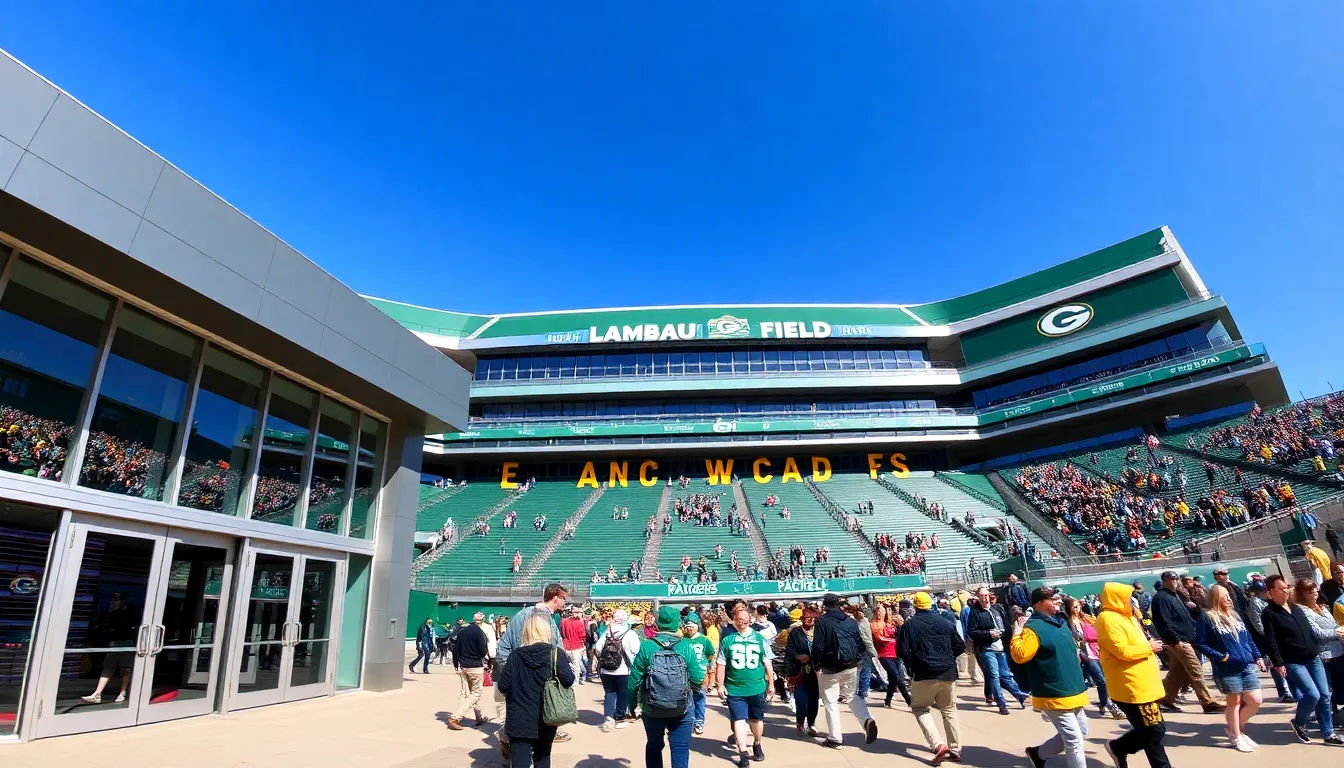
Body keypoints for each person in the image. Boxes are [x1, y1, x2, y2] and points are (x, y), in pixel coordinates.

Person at [1095, 582, 1172, 768]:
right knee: (1153, 730)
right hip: (1131, 686)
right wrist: (1149, 647)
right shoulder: (1107, 619)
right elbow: (1122, 651)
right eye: (1127, 597)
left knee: (1151, 730)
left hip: (1143, 683)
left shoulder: (1126, 617)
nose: (1132, 600)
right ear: (1117, 599)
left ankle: (1119, 748)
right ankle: (1118, 747)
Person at [1013, 588, 1090, 768]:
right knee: (1074, 741)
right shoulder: (1032, 629)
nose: (1057, 601)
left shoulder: (1060, 622)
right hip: (1054, 693)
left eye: (1057, 598)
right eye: (1052, 599)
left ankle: (1038, 754)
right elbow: (1020, 655)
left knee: (1082, 732)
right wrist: (1017, 634)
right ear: (1038, 604)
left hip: (1073, 689)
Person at [495, 584, 572, 760]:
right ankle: (507, 741)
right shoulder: (531, 617)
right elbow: (503, 650)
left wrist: (516, 674)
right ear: (555, 598)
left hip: (528, 698)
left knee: (531, 747)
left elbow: (503, 651)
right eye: (563, 598)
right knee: (539, 754)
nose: (565, 603)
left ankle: (509, 742)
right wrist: (519, 674)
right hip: (533, 697)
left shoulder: (538, 616)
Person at [1261, 574, 1340, 744]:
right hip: (1293, 660)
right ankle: (1299, 723)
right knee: (1312, 695)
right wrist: (1278, 662)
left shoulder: (1295, 608)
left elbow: (1310, 631)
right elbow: (1271, 640)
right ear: (1271, 591)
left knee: (1325, 695)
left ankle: (1328, 734)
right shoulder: (1269, 613)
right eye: (1282, 589)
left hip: (1313, 657)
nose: (1286, 592)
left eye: (1287, 588)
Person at [629, 606, 702, 768]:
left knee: (654, 746)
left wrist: (632, 704)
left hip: (652, 707)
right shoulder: (685, 646)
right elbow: (698, 678)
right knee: (680, 749)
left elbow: (634, 680)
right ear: (678, 624)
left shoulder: (647, 646)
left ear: (658, 623)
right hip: (682, 706)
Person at [1195, 584, 1265, 752]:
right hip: (1227, 668)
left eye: (1228, 595)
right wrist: (1221, 656)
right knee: (1234, 702)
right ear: (1214, 598)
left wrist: (1257, 656)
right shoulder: (1207, 618)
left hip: (1246, 664)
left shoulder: (1236, 615)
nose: (1228, 598)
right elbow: (1200, 643)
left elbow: (1248, 639)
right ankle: (1236, 735)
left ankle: (1236, 727)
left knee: (1255, 700)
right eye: (1223, 595)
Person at [897, 591, 965, 764]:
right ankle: (955, 748)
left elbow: (902, 651)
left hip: (924, 673)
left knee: (920, 708)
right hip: (947, 672)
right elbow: (959, 645)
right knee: (949, 709)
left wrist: (912, 665)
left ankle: (937, 744)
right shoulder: (944, 622)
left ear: (915, 606)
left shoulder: (910, 625)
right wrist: (948, 658)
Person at [1149, 570, 1222, 713]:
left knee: (1178, 671)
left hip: (1185, 639)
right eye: (1171, 579)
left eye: (1176, 578)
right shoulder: (1161, 597)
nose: (1175, 581)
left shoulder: (1175, 595)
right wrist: (1176, 639)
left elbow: (1184, 617)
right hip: (1178, 641)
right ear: (1164, 580)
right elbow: (1163, 621)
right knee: (1195, 669)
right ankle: (1207, 701)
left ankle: (1165, 699)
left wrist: (1194, 611)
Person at [812, 593, 878, 748]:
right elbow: (859, 643)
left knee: (831, 702)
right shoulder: (851, 621)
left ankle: (835, 738)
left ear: (825, 606)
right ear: (839, 604)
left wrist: (816, 664)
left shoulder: (822, 621)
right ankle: (866, 719)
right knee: (852, 696)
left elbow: (818, 646)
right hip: (850, 665)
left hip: (830, 668)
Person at [717, 604, 775, 766]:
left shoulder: (759, 639)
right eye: (738, 618)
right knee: (738, 719)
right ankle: (743, 751)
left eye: (744, 619)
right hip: (735, 688)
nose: (741, 621)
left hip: (756, 686)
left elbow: (767, 662)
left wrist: (771, 683)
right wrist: (720, 685)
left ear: (750, 620)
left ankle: (757, 743)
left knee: (756, 719)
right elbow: (721, 663)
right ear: (734, 621)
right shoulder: (727, 640)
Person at [967, 586, 1028, 714]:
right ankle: (1001, 703)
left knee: (1006, 676)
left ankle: (1020, 696)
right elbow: (972, 631)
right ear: (978, 597)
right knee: (994, 676)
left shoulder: (997, 610)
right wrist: (988, 634)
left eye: (986, 595)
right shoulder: (975, 612)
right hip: (986, 649)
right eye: (981, 596)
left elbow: (1006, 627)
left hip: (1001, 648)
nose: (984, 598)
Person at [1064, 596, 1123, 720]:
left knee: (1106, 679)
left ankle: (1103, 703)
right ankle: (1112, 707)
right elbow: (1076, 640)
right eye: (1074, 607)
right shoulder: (1069, 623)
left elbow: (1099, 629)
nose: (1078, 608)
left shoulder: (1087, 618)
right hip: (1086, 654)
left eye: (1078, 605)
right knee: (1101, 680)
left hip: (1098, 650)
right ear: (1069, 609)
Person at [1295, 580, 1344, 727]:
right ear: (1301, 593)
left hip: (1338, 652)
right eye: (1310, 590)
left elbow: (1334, 624)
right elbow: (1317, 633)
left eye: (1315, 589)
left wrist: (1339, 630)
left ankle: (1335, 718)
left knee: (1340, 688)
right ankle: (1325, 722)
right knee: (1325, 692)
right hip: (1324, 655)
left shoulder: (1322, 607)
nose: (1314, 593)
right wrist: (1338, 632)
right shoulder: (1302, 610)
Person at [595, 609, 642, 732]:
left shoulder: (607, 632)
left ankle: (609, 717)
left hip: (606, 670)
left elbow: (598, 648)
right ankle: (620, 716)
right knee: (623, 694)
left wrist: (603, 659)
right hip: (624, 670)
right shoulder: (630, 633)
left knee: (609, 693)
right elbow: (636, 651)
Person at [447, 613, 492, 729]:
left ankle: (479, 717)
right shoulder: (479, 633)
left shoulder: (462, 632)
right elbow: (483, 651)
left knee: (468, 693)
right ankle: (456, 717)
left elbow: (456, 650)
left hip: (463, 666)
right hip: (475, 666)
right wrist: (487, 660)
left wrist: (456, 664)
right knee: (476, 693)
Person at [784, 606, 821, 737]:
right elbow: (789, 651)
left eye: (811, 618)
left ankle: (811, 724)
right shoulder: (796, 632)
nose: (809, 620)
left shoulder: (820, 632)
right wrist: (797, 657)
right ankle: (800, 722)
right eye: (806, 618)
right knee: (801, 701)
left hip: (817, 672)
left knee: (813, 701)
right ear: (801, 619)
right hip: (799, 671)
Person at [871, 603, 911, 707]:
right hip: (884, 654)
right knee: (897, 677)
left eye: (884, 611)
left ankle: (888, 700)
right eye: (880, 611)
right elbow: (879, 639)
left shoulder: (891, 623)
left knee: (893, 679)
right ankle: (909, 700)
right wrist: (892, 639)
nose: (882, 613)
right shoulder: (875, 624)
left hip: (895, 653)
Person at [682, 613, 716, 734]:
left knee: (700, 698)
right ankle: (688, 721)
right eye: (688, 625)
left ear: (698, 626)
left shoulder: (704, 639)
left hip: (701, 674)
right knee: (686, 698)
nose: (690, 628)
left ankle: (699, 721)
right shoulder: (683, 639)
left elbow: (711, 654)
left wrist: (710, 668)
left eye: (692, 625)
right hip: (684, 674)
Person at [559, 607, 589, 685]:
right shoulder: (579, 622)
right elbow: (582, 635)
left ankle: (568, 679)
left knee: (568, 664)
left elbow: (562, 633)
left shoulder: (563, 622)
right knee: (576, 665)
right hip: (576, 645)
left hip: (565, 645)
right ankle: (575, 681)